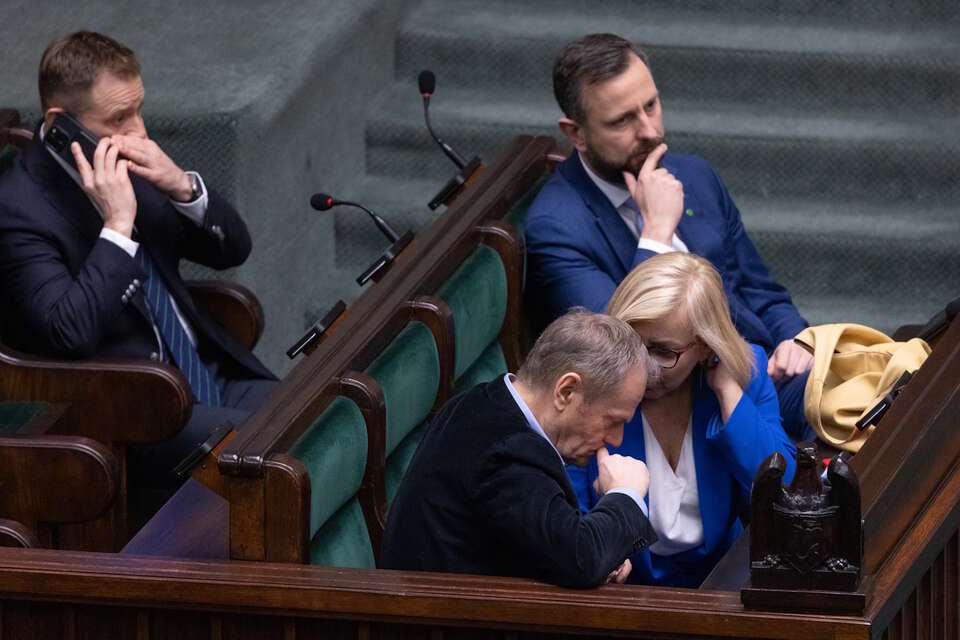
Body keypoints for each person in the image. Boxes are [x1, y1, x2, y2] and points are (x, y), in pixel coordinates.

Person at [0, 31, 276, 483]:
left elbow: (232, 250)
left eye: (139, 108)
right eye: (119, 117)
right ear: (61, 122)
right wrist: (118, 226)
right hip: (128, 409)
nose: (139, 131)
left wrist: (183, 188)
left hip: (208, 379)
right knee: (276, 452)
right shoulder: (17, 209)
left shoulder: (128, 160)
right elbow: (67, 331)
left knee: (325, 417)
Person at [525, 33, 813, 440]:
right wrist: (657, 233)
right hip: (687, 407)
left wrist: (799, 342)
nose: (649, 130)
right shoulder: (556, 227)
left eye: (651, 106)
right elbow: (615, 356)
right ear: (576, 134)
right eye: (622, 121)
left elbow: (762, 292)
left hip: (765, 374)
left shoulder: (694, 176)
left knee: (890, 387)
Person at [382, 309, 658, 588]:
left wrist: (605, 543)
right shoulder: (507, 455)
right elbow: (581, 559)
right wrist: (626, 493)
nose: (617, 439)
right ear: (566, 391)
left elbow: (538, 537)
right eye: (612, 420)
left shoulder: (478, 403)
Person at [568, 252, 797, 587]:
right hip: (624, 596)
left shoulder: (747, 374)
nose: (641, 366)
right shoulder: (591, 384)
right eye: (631, 342)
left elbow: (788, 488)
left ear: (705, 347)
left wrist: (729, 395)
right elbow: (570, 517)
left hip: (723, 587)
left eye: (663, 352)